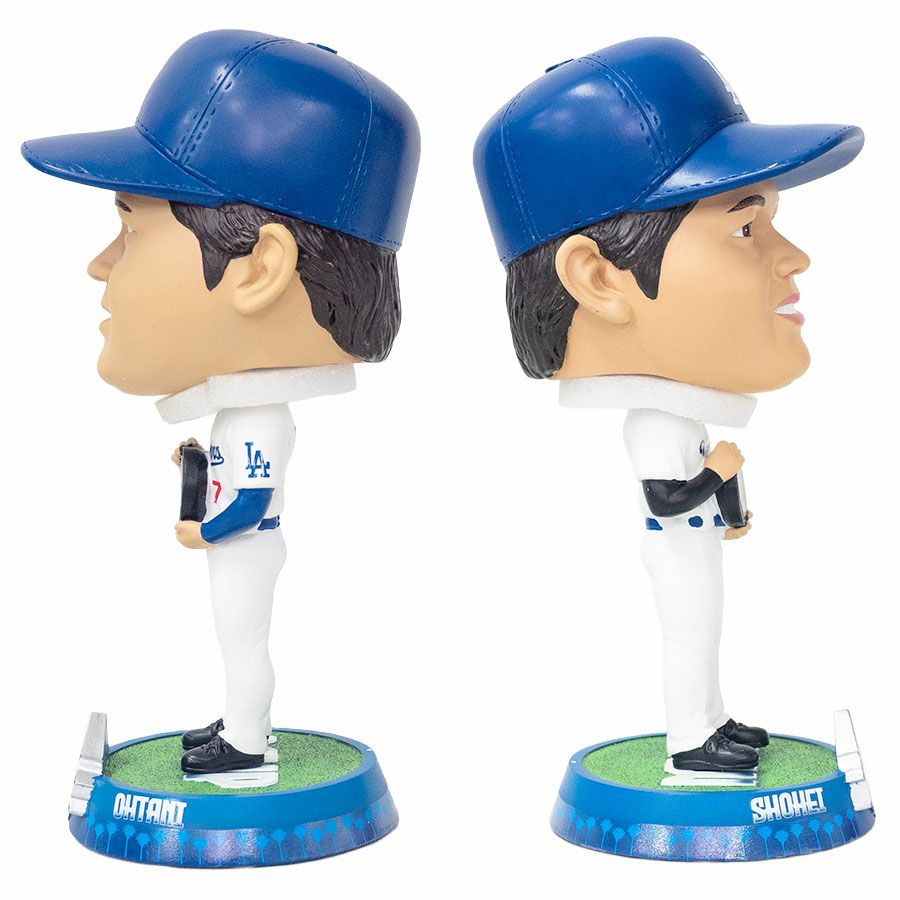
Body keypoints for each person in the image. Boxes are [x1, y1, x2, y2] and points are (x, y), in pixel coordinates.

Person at [22, 29, 419, 774]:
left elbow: (251, 498)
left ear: (260, 268)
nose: (100, 264)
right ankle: (240, 725)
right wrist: (198, 470)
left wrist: (200, 529)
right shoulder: (242, 412)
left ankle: (246, 740)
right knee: (235, 638)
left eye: (129, 227)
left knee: (243, 639)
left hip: (246, 546)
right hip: (239, 546)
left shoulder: (259, 416)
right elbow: (234, 475)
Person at [474, 37, 863, 771]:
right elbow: (669, 492)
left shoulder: (678, 407)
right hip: (677, 547)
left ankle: (713, 723)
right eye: (745, 228)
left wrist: (733, 509)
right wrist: (719, 477)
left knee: (706, 637)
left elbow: (707, 473)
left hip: (698, 543)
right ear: (599, 279)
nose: (793, 256)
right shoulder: (653, 420)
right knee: (689, 639)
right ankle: (691, 740)